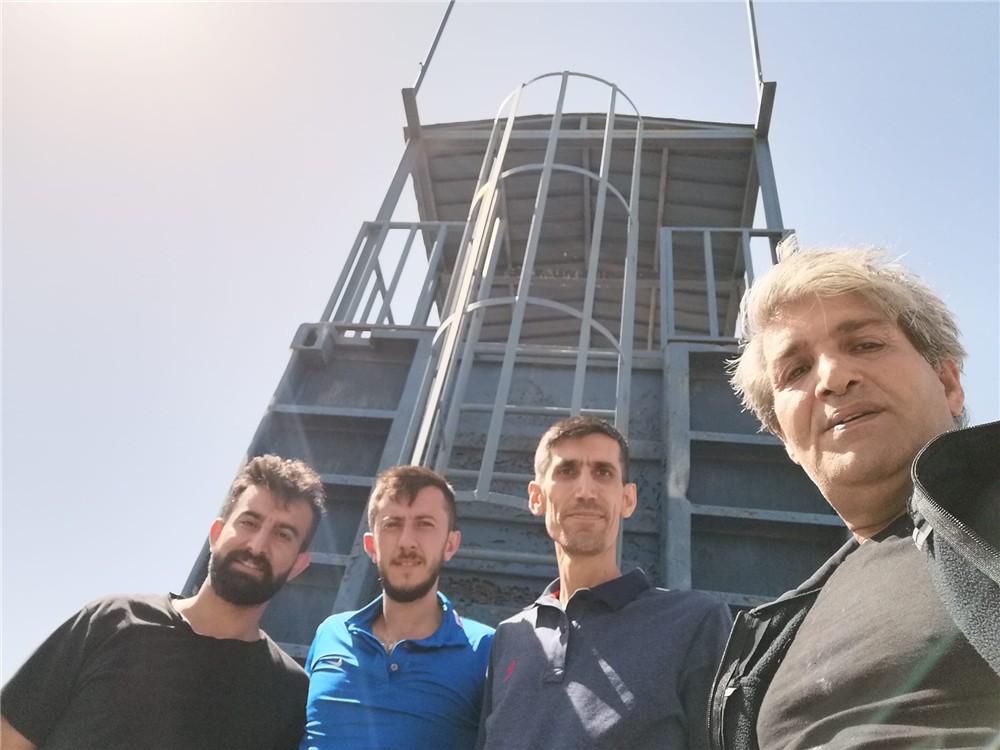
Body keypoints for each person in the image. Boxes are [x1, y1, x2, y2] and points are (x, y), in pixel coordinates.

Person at [708, 248, 1000, 748]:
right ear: (785, 440)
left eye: (865, 344)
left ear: (948, 383)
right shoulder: (775, 636)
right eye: (795, 371)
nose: (832, 379)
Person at [1, 454, 326, 750]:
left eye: (283, 535)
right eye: (249, 523)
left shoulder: (291, 694)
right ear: (216, 534)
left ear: (298, 565)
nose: (257, 546)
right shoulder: (111, 621)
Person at [477, 416, 733, 750]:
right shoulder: (509, 637)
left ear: (628, 499)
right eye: (566, 471)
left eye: (603, 472)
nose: (585, 491)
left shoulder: (695, 622)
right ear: (536, 497)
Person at [300, 465, 494, 750]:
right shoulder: (331, 633)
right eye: (392, 525)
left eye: (424, 524)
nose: (406, 542)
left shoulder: (485, 649)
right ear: (371, 546)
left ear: (450, 544)